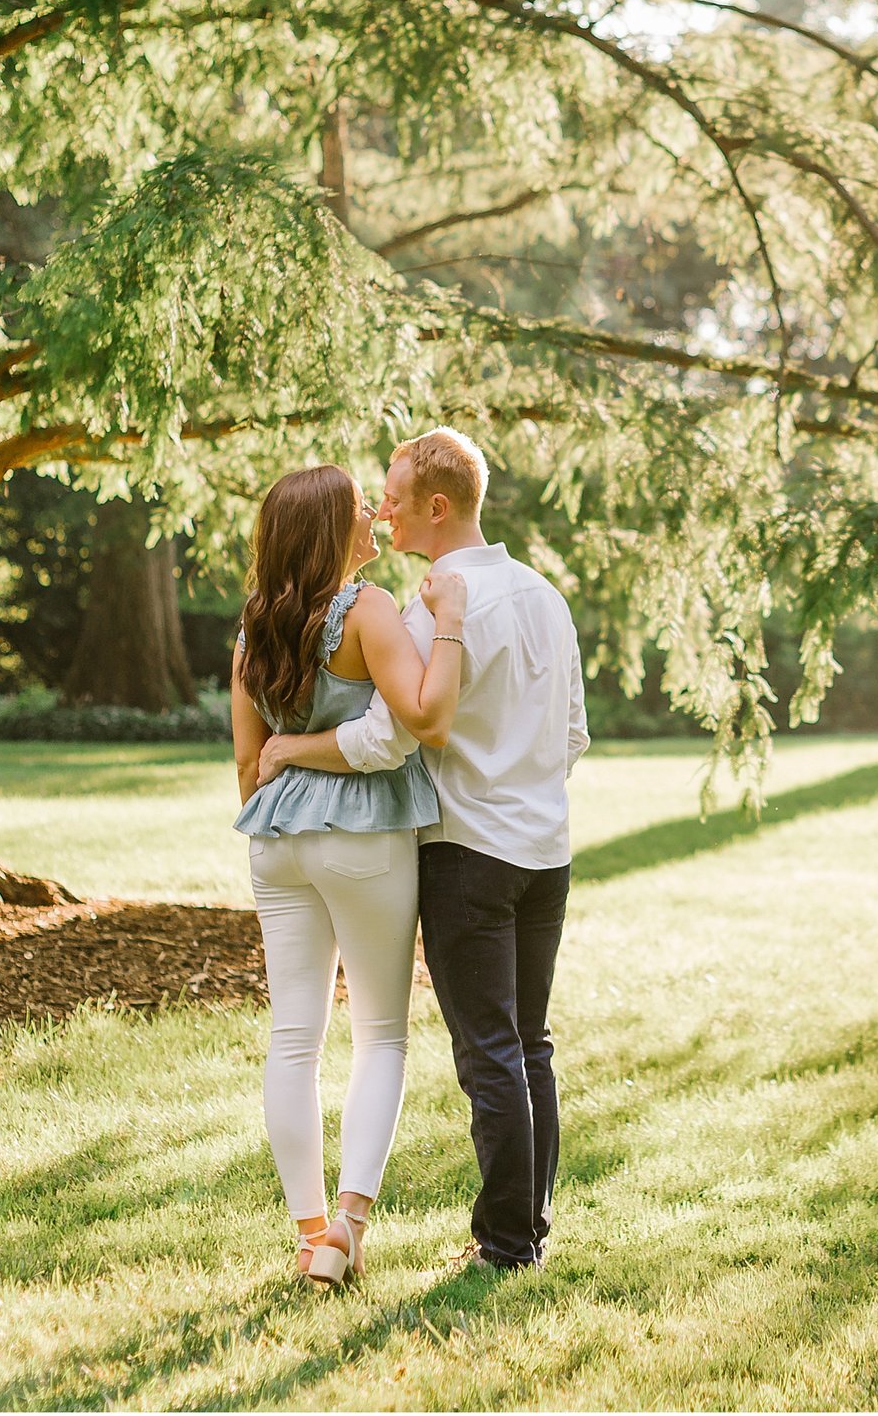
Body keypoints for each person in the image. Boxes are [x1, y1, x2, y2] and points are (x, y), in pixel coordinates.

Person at [255, 428, 589, 1271]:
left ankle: (507, 1244)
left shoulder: (426, 608)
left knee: (489, 1054)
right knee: (530, 1044)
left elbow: (384, 738)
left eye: (395, 495)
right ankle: (524, 1230)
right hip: (545, 850)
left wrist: (292, 750)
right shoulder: (546, 597)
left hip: (466, 849)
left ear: (437, 507)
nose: (383, 508)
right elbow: (574, 733)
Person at [229, 464, 468, 1289]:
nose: (376, 514)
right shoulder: (365, 611)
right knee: (381, 1033)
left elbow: (245, 760)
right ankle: (348, 1227)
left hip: (276, 838)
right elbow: (417, 714)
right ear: (333, 530)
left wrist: (280, 801)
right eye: (362, 507)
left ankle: (305, 1231)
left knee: (293, 1039)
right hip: (362, 832)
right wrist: (448, 627)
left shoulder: (254, 624)